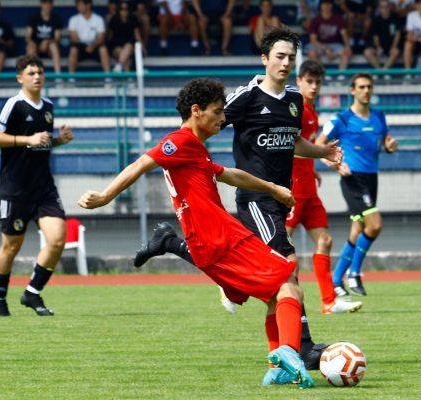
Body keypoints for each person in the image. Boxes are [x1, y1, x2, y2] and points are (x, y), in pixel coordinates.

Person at [78, 78, 316, 389]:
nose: (223, 118)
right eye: (217, 112)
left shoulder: (195, 150)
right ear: (196, 111)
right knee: (289, 285)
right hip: (220, 238)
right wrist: (106, 196)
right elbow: (142, 162)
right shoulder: (180, 141)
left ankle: (279, 364)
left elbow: (229, 174)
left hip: (215, 240)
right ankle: (288, 355)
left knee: (276, 295)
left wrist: (272, 188)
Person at [134, 27, 343, 372]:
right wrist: (194, 159)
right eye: (279, 56)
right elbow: (207, 119)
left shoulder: (293, 101)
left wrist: (320, 151)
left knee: (275, 282)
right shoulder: (245, 97)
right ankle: (300, 347)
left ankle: (282, 355)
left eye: (291, 57)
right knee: (286, 270)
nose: (286, 63)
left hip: (280, 198)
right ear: (264, 59)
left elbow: (290, 140)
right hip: (257, 199)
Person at [0, 54, 74, 317]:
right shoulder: (13, 105)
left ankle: (32, 293)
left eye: (40, 73)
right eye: (31, 73)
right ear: (20, 78)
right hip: (15, 189)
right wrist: (27, 139)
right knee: (11, 246)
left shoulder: (47, 106)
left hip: (43, 188)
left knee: (58, 239)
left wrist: (59, 141)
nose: (37, 77)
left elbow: (41, 142)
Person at [286, 59, 363, 314]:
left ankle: (329, 302)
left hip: (308, 185)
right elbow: (287, 149)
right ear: (298, 81)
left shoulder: (312, 109)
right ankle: (238, 285)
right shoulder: (295, 110)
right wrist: (320, 156)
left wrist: (315, 168)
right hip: (293, 188)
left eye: (318, 82)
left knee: (326, 240)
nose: (314, 86)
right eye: (309, 81)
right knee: (280, 245)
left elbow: (307, 148)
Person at [316, 72, 398, 297]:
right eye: (361, 87)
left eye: (369, 87)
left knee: (359, 229)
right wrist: (334, 164)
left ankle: (335, 280)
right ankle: (354, 274)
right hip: (353, 179)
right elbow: (318, 146)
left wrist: (391, 146)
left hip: (372, 177)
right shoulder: (341, 120)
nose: (366, 91)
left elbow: (385, 142)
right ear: (352, 90)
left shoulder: (379, 117)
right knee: (375, 224)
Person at [305, 0, 351, 72]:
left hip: (334, 44)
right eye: (324, 4)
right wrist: (325, 49)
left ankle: (341, 74)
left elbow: (344, 35)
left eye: (328, 4)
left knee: (347, 52)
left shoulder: (338, 18)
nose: (326, 6)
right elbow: (313, 40)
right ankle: (322, 74)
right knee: (311, 53)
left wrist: (347, 46)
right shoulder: (315, 20)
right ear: (320, 6)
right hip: (319, 44)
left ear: (332, 6)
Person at [68, 0, 111, 75]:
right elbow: (74, 38)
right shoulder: (73, 19)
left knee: (103, 49)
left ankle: (108, 79)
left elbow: (101, 38)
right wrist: (85, 46)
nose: (78, 7)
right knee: (73, 49)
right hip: (80, 46)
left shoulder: (98, 19)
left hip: (95, 46)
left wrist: (93, 46)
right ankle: (71, 80)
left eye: (80, 5)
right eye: (77, 5)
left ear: (88, 5)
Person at [25, 0, 63, 76]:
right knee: (30, 47)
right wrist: (32, 42)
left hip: (49, 48)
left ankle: (58, 77)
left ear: (52, 4)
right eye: (45, 3)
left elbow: (57, 39)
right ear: (41, 4)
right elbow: (27, 37)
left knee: (54, 46)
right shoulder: (33, 17)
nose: (47, 5)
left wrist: (47, 42)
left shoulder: (56, 19)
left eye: (49, 3)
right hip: (36, 46)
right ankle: (32, 77)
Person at [363, 0, 402, 71]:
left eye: (386, 6)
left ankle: (384, 71)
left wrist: (394, 46)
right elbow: (375, 37)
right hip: (380, 45)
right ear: (379, 8)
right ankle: (378, 70)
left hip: (391, 44)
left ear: (389, 7)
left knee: (395, 52)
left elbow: (397, 34)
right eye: (382, 7)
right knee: (367, 52)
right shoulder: (376, 20)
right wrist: (378, 47)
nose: (384, 9)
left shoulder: (395, 18)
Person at [107, 1, 145, 71]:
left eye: (126, 9)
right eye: (122, 9)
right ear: (119, 10)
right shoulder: (114, 20)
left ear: (129, 10)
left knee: (128, 46)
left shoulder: (133, 19)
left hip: (130, 47)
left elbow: (137, 35)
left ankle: (119, 65)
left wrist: (143, 48)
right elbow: (110, 36)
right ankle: (129, 78)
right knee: (124, 55)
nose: (124, 11)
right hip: (116, 47)